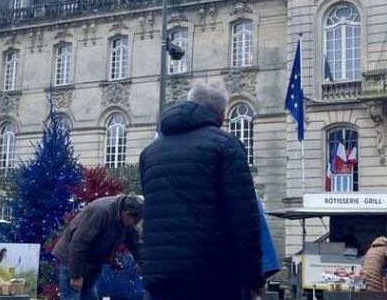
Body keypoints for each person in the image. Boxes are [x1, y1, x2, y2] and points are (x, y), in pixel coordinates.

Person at [139, 84, 264, 300]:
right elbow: (243, 220)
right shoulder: (226, 146)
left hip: (160, 275)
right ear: (222, 115)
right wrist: (254, 278)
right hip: (212, 276)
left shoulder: (150, 153)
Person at [52, 194, 144, 300]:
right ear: (126, 214)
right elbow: (78, 243)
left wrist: (144, 264)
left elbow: (135, 244)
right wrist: (76, 275)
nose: (134, 224)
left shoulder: (127, 220)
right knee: (71, 297)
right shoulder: (101, 211)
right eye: (135, 221)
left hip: (92, 262)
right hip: (72, 259)